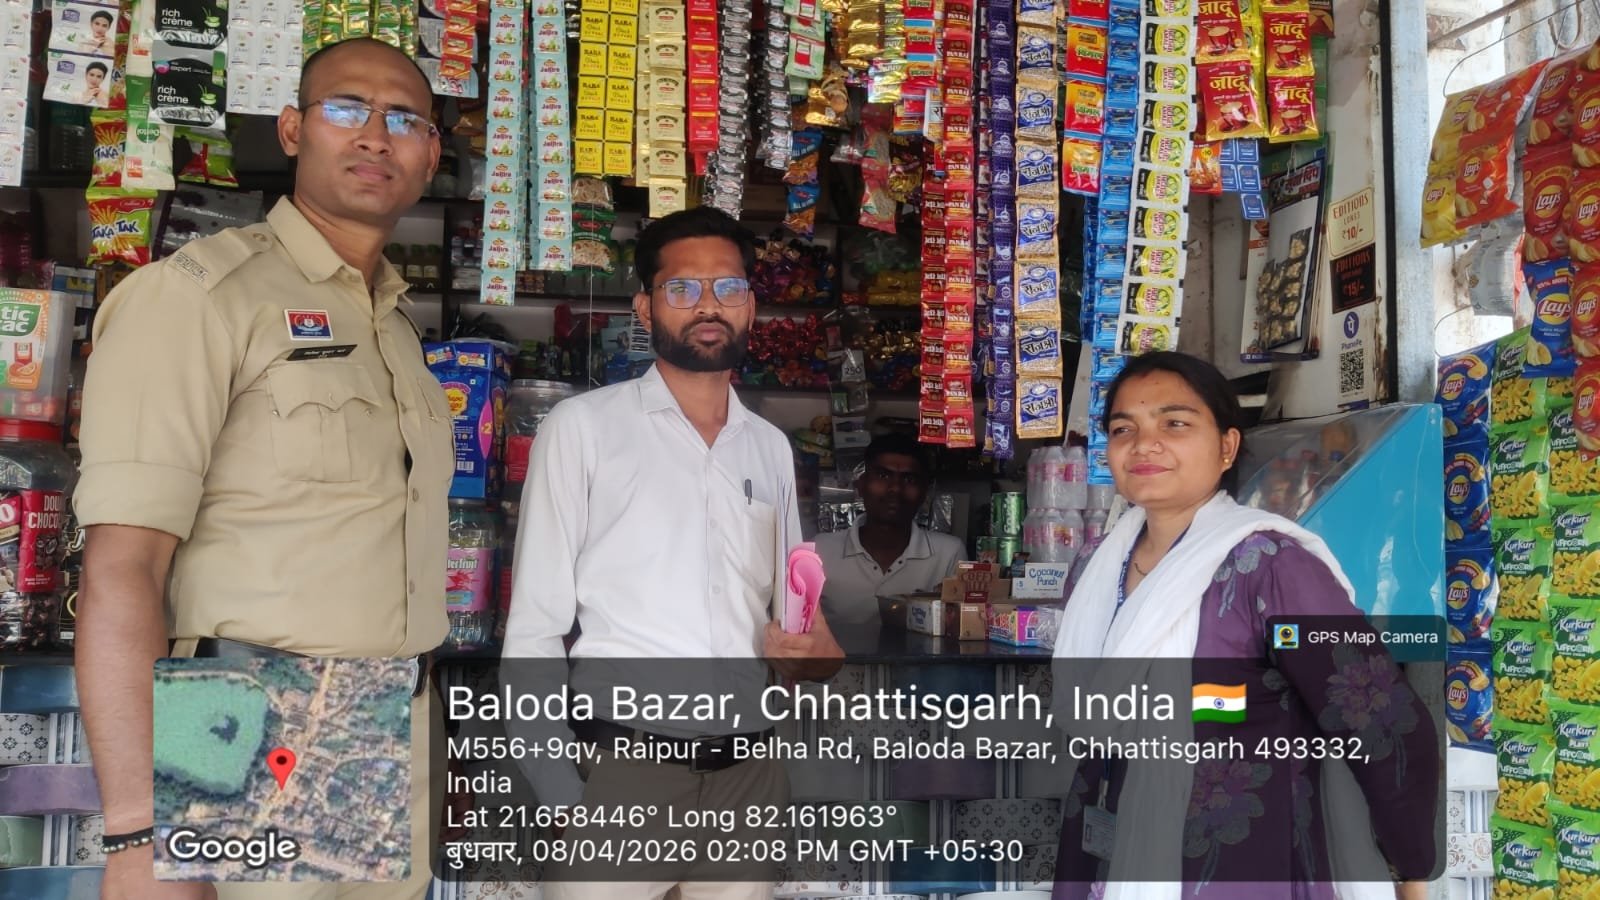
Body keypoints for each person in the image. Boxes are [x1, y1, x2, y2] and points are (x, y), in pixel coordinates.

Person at [74, 37, 449, 900]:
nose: (376, 135)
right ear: (292, 130)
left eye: (405, 120)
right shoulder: (198, 296)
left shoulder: (395, 327)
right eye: (346, 109)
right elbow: (123, 568)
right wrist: (139, 831)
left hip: (394, 729)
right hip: (246, 724)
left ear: (430, 156)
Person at [503, 205, 845, 900]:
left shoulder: (769, 448)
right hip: (621, 773)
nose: (707, 306)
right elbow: (535, 627)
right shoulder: (583, 429)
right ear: (645, 307)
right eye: (682, 288)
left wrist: (814, 656)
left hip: (748, 780)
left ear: (751, 304)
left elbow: (801, 626)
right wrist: (563, 795)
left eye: (728, 287)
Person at [1049, 351, 1437, 900]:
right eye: (1123, 429)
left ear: (1227, 447)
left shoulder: (1271, 569)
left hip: (1236, 860)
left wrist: (1410, 871)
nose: (1144, 444)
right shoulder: (1095, 566)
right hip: (1104, 846)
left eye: (1175, 424)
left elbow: (1378, 720)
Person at [813, 433, 963, 626]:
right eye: (883, 476)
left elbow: (956, 630)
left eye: (909, 479)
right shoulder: (819, 551)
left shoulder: (948, 554)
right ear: (861, 485)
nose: (895, 489)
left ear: (924, 492)